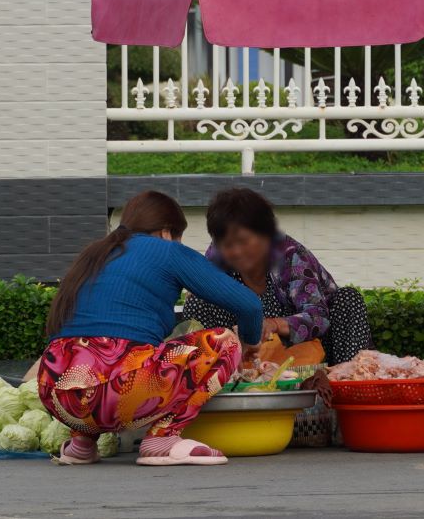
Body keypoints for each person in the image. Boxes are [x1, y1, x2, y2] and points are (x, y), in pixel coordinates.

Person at [37, 190, 264, 466]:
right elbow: (249, 305)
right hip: (118, 388)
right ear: (167, 232)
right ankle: (163, 438)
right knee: (223, 340)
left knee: (91, 360)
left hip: (54, 390)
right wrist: (250, 344)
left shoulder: (94, 252)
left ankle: (81, 444)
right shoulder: (167, 251)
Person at [182, 187, 372, 365]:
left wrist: (273, 325)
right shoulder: (216, 258)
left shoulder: (291, 256)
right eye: (227, 244)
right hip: (250, 354)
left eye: (243, 241)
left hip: (316, 352)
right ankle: (213, 379)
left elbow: (318, 318)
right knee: (198, 303)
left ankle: (348, 380)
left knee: (348, 299)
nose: (237, 252)